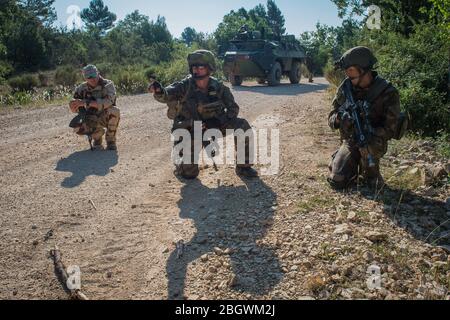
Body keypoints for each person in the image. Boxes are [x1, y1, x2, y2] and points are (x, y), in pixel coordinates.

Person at [149, 50, 258, 179]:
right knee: (189, 174)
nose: (196, 70)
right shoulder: (184, 86)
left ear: (209, 68)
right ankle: (181, 164)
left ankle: (244, 167)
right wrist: (158, 90)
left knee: (242, 125)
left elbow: (233, 108)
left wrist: (219, 122)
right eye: (194, 67)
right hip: (190, 131)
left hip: (213, 127)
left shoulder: (218, 87)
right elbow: (166, 95)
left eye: (200, 67)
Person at [328, 46, 401, 189]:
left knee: (373, 185)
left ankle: (372, 173)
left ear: (364, 70)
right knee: (337, 180)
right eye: (346, 72)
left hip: (373, 141)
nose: (347, 76)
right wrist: (339, 118)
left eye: (351, 72)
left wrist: (369, 131)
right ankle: (346, 161)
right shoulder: (345, 88)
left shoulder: (387, 92)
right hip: (350, 141)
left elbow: (391, 129)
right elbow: (331, 118)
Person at [69, 65, 120, 151]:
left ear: (98, 74)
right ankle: (97, 138)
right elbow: (75, 109)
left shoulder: (108, 85)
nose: (93, 79)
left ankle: (111, 141)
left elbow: (108, 102)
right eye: (89, 77)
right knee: (77, 127)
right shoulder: (81, 89)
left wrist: (86, 102)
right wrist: (73, 105)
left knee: (114, 111)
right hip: (91, 117)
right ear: (85, 78)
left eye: (94, 76)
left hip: (105, 115)